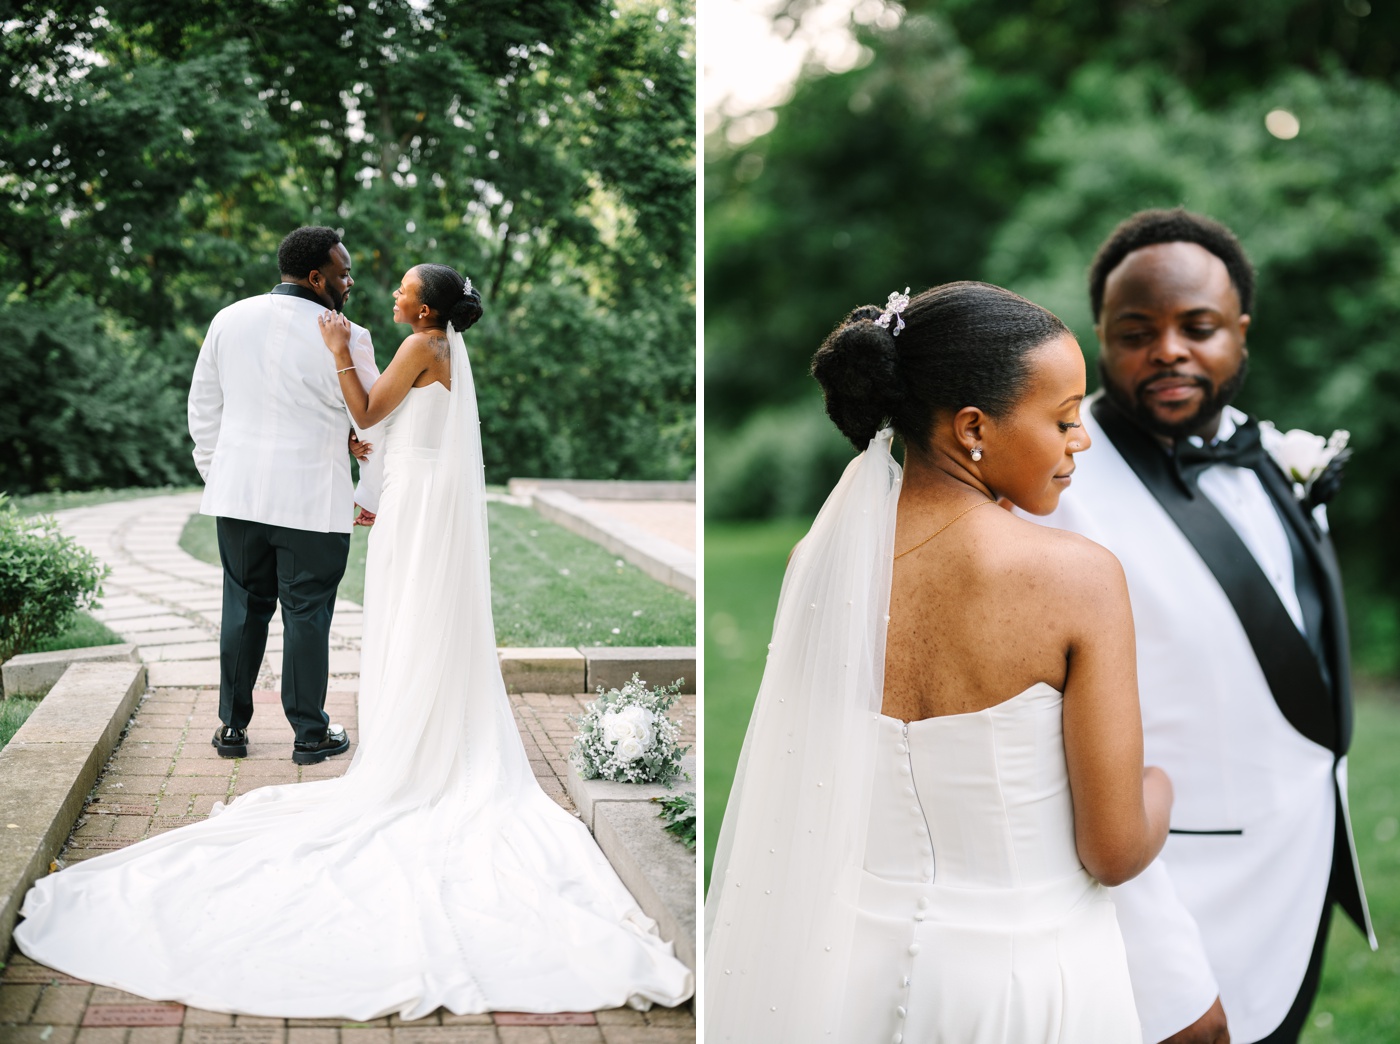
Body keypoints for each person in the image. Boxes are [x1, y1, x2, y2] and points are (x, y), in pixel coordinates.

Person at [13, 260, 693, 1019]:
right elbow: (399, 428)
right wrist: (373, 457)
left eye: (404, 287)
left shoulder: (418, 345)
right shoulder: (438, 351)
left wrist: (339, 349)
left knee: (400, 617)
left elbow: (367, 413)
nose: (388, 292)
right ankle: (392, 731)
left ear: (428, 308)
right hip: (417, 493)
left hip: (420, 505)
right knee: (408, 618)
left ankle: (397, 749)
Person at [705, 280, 1172, 1042]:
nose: (1079, 440)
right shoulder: (1078, 578)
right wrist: (1161, 790)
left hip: (843, 978)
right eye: (1062, 419)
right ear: (972, 428)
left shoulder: (819, 565)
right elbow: (1114, 850)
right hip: (1026, 987)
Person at [1028, 209, 1373, 1044]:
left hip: (1295, 871)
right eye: (1138, 331)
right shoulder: (1054, 493)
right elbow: (1043, 760)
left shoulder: (1269, 453)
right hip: (1172, 896)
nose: (1170, 351)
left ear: (1241, 332)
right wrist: (1168, 976)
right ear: (1100, 339)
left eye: (1200, 327)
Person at [187, 225, 381, 765]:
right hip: (312, 500)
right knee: (307, 615)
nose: (350, 281)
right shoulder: (352, 336)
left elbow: (204, 407)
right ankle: (309, 735)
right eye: (343, 272)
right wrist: (370, 493)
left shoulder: (229, 319)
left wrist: (218, 475)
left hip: (239, 496)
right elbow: (374, 421)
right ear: (317, 278)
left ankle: (231, 728)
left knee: (243, 609)